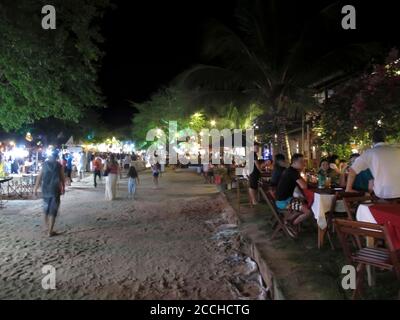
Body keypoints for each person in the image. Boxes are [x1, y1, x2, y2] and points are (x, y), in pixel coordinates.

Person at [346, 129, 400, 199]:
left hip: (383, 194)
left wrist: (348, 189)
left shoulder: (370, 153)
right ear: (385, 139)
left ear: (372, 140)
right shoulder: (397, 151)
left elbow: (352, 170)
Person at [34, 149, 65, 237]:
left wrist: (35, 189)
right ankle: (50, 231)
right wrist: (63, 187)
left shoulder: (44, 165)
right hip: (55, 190)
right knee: (53, 211)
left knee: (46, 210)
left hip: (46, 190)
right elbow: (62, 177)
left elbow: (39, 177)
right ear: (56, 157)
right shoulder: (59, 165)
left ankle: (47, 228)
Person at [275, 153, 312, 226]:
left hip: (284, 199)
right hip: (284, 202)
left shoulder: (290, 170)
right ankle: (290, 224)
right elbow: (304, 186)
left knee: (305, 201)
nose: (304, 163)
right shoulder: (293, 172)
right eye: (301, 161)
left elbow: (303, 185)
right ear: (294, 162)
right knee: (308, 212)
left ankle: (289, 220)